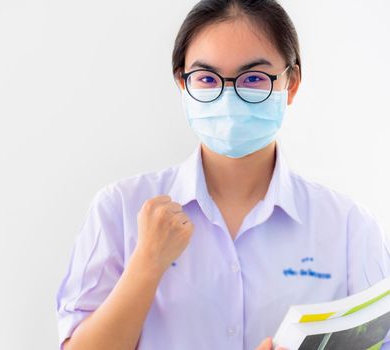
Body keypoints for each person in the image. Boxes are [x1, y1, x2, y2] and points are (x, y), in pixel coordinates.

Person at [55, 0, 390, 349]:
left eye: (254, 78)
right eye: (206, 77)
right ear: (182, 84)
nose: (229, 95)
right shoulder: (119, 210)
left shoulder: (351, 228)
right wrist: (146, 263)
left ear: (291, 83)